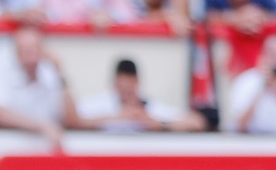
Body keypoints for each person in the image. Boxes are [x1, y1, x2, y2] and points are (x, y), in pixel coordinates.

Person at [0, 21, 88, 147]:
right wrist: (42, 126)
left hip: (43, 149)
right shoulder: (0, 67)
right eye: (25, 49)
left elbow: (72, 120)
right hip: (7, 144)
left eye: (33, 47)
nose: (29, 53)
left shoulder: (50, 71)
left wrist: (60, 73)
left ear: (43, 50)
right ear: (16, 51)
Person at [77, 56, 210, 130]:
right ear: (114, 83)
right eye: (122, 87)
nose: (126, 92)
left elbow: (197, 122)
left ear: (137, 82)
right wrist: (117, 119)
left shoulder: (150, 108)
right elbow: (74, 120)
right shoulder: (101, 104)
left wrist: (160, 124)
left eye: (129, 87)